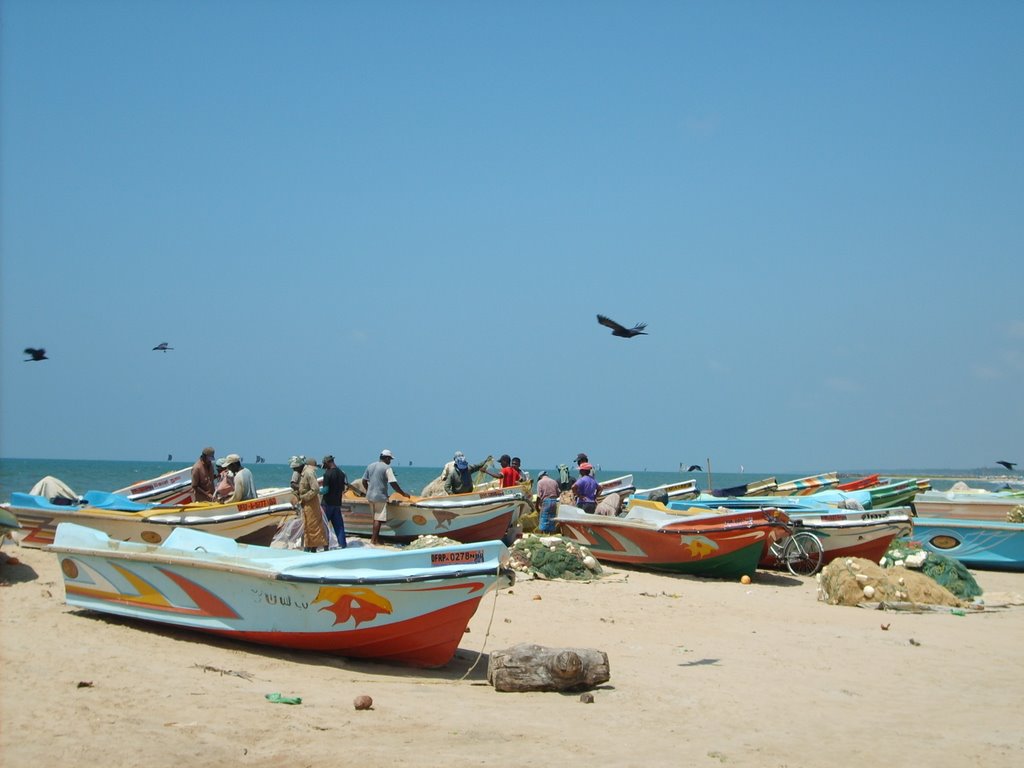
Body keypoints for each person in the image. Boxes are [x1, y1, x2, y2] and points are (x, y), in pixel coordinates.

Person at [362, 449, 411, 545]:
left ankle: (376, 538)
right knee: (378, 519)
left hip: (370, 496)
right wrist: (403, 493)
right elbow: (393, 483)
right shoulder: (387, 468)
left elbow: (364, 481)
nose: (390, 461)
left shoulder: (370, 466)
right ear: (387, 458)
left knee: (375, 518)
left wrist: (369, 490)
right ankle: (374, 540)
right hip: (380, 496)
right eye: (390, 459)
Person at [298, 457, 328, 552]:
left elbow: (315, 489)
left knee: (313, 525)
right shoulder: (307, 472)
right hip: (309, 503)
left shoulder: (309, 473)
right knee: (310, 525)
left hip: (311, 503)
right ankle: (312, 546)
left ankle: (315, 547)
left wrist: (304, 497)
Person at [320, 455, 349, 547]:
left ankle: (325, 545)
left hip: (327, 503)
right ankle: (343, 545)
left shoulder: (327, 474)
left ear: (328, 462)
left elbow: (325, 490)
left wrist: (317, 490)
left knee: (324, 525)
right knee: (339, 526)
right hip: (337, 503)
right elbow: (343, 488)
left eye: (324, 464)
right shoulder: (341, 473)